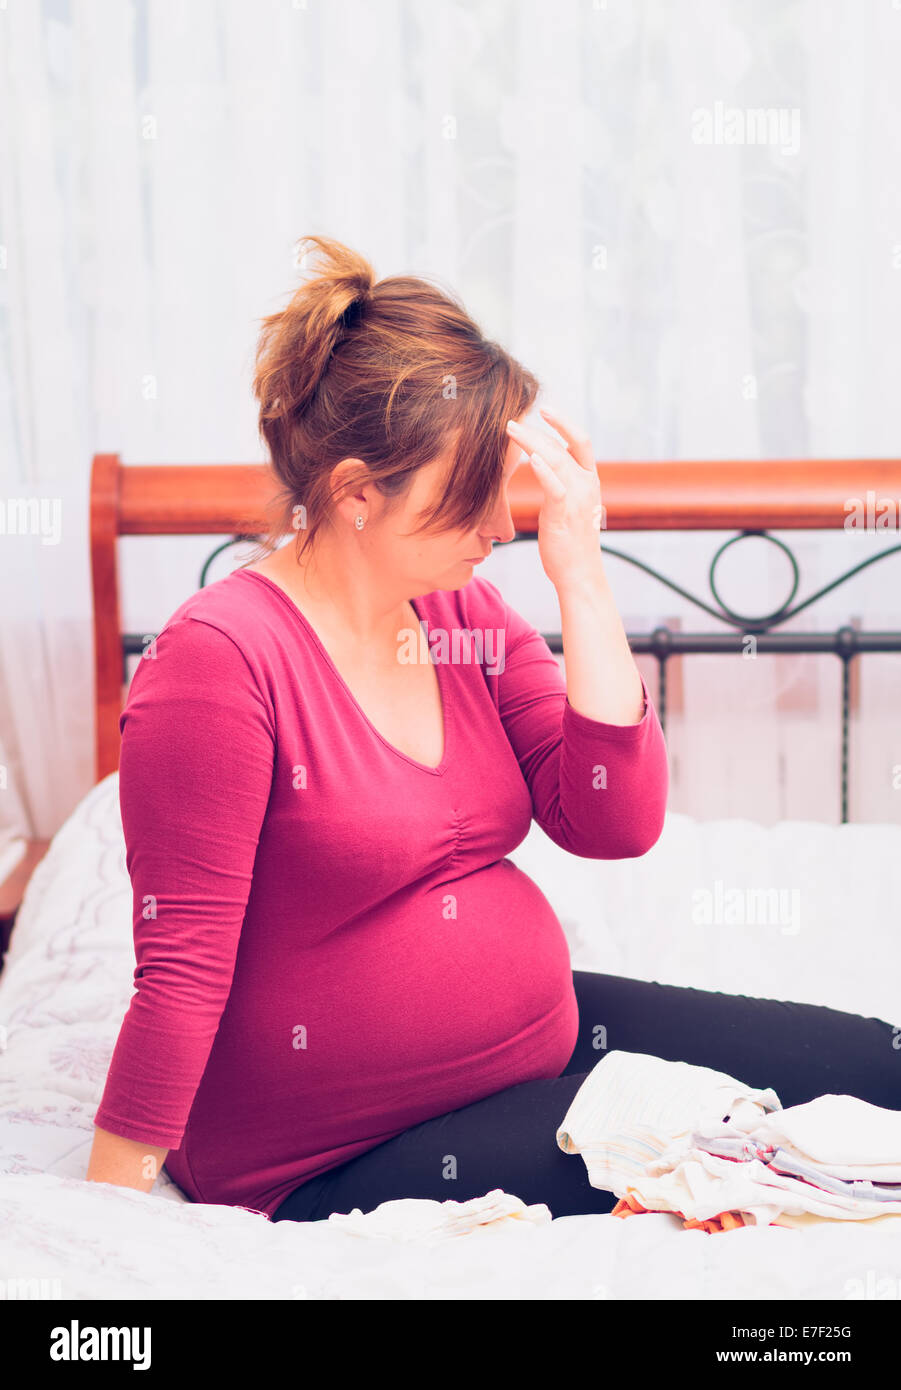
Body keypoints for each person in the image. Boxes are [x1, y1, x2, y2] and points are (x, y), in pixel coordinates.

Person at [86, 235, 900, 1224]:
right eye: (468, 495)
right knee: (747, 1155)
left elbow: (610, 821)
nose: (501, 525)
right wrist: (109, 1228)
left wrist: (582, 571)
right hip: (333, 1147)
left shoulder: (456, 614)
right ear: (353, 493)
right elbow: (180, 972)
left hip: (536, 1046)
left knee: (868, 1062)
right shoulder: (218, 660)